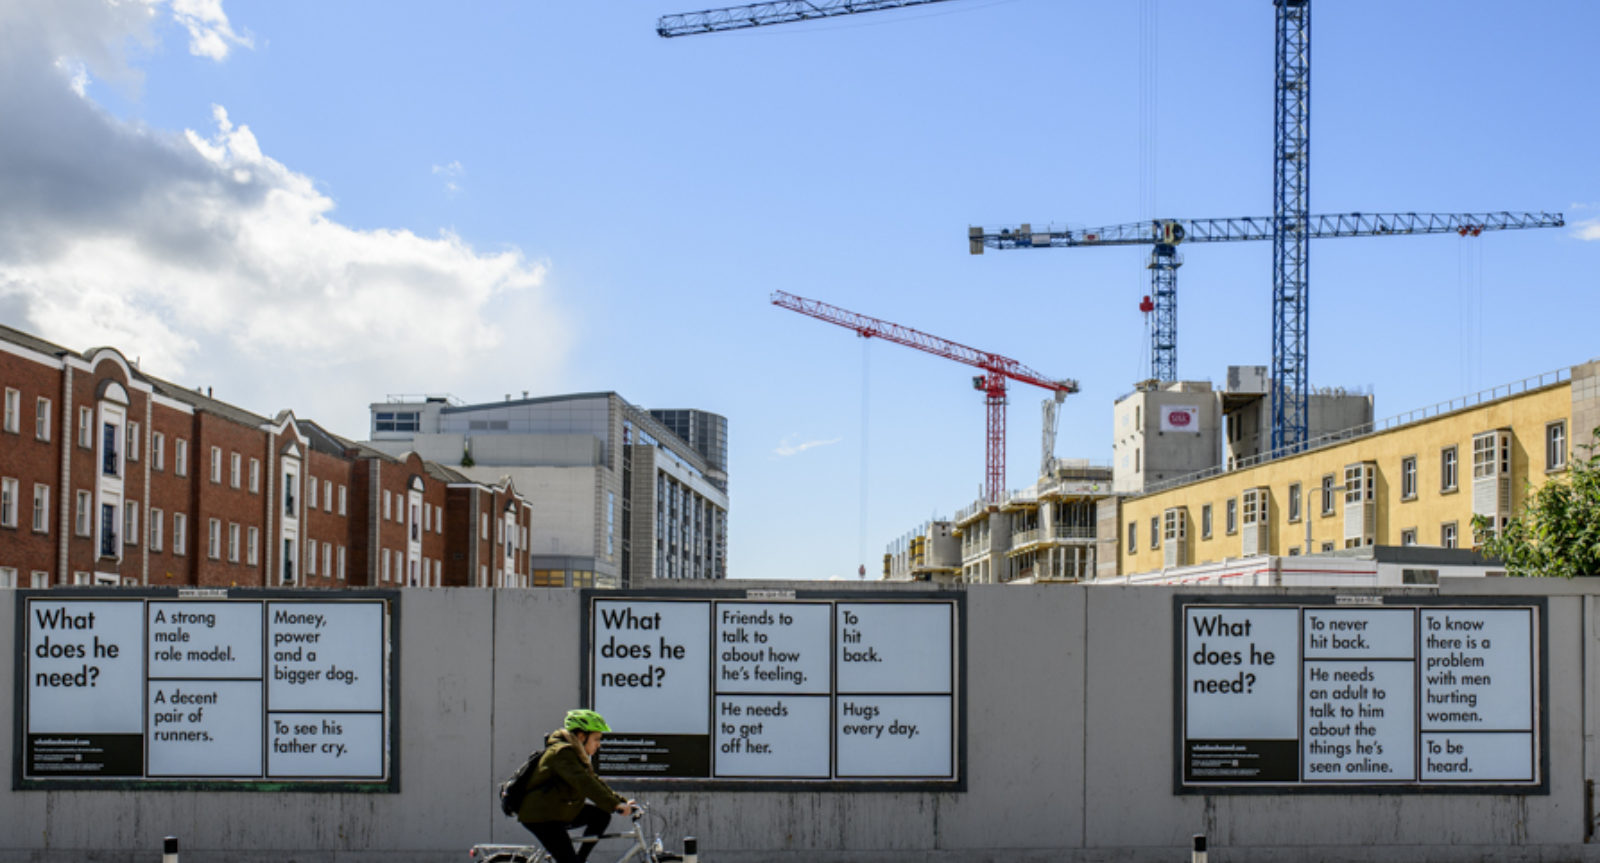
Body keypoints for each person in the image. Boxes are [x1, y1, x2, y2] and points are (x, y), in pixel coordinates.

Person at [517, 709, 636, 863]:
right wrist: (614, 805)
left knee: (601, 816)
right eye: (596, 739)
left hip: (558, 810)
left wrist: (620, 801)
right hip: (542, 816)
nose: (599, 745)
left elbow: (593, 780)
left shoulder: (575, 754)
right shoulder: (562, 754)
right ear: (581, 736)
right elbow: (584, 783)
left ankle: (580, 860)